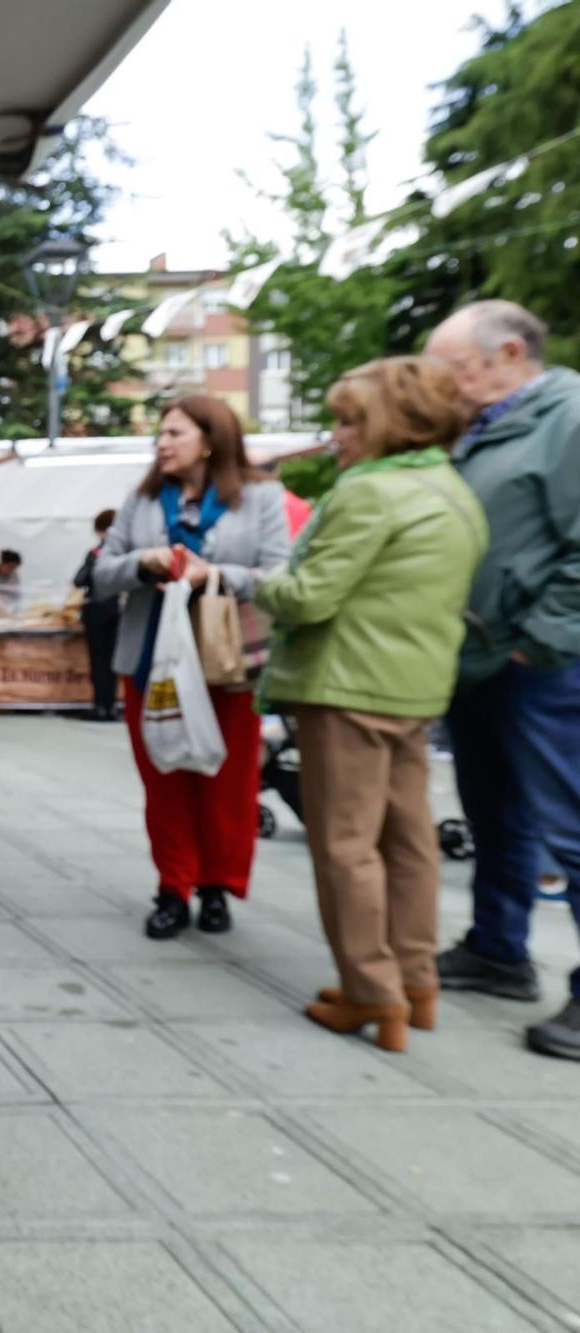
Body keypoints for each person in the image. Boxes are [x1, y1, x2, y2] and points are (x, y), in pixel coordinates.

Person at [254, 357, 487, 1052]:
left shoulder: (367, 494)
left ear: (391, 423)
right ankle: (416, 985)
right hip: (413, 690)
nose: (337, 435)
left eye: (351, 420)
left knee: (346, 846)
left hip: (345, 688)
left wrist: (262, 582)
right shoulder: (453, 490)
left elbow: (310, 596)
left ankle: (369, 991)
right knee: (410, 842)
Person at [424, 300, 580, 1061]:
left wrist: (541, 640)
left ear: (510, 352)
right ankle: (498, 949)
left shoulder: (569, 417)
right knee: (497, 813)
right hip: (484, 658)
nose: (441, 386)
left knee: (569, 823)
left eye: (451, 370)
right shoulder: (485, 425)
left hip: (544, 661)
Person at [92, 396, 292, 939]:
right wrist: (142, 561)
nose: (162, 443)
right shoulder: (143, 500)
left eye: (175, 433)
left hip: (225, 665)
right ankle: (173, 887)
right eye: (160, 434)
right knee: (165, 780)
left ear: (210, 439)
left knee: (228, 783)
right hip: (149, 663)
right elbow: (103, 573)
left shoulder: (261, 496)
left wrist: (214, 574)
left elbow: (278, 576)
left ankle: (218, 887)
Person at [73, 509, 122, 721]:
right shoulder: (123, 553)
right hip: (119, 607)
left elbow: (79, 579)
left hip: (98, 608)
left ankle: (100, 705)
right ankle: (111, 705)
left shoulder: (97, 553)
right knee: (112, 660)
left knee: (99, 659)